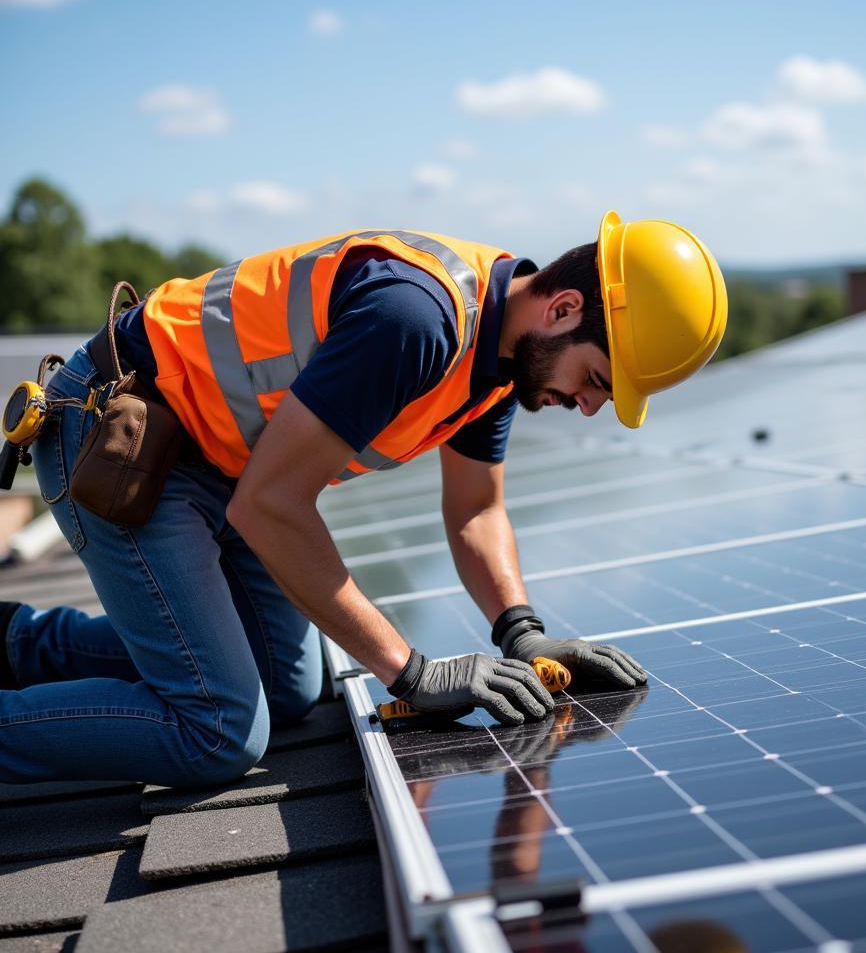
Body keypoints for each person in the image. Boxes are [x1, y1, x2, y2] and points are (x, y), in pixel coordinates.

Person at [0, 212, 727, 788]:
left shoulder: (504, 362)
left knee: (291, 689)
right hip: (127, 442)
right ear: (564, 309)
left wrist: (522, 635)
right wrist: (411, 672)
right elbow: (271, 506)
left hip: (224, 465)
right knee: (219, 730)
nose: (591, 405)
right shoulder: (416, 320)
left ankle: (16, 643)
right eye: (597, 379)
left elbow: (476, 509)